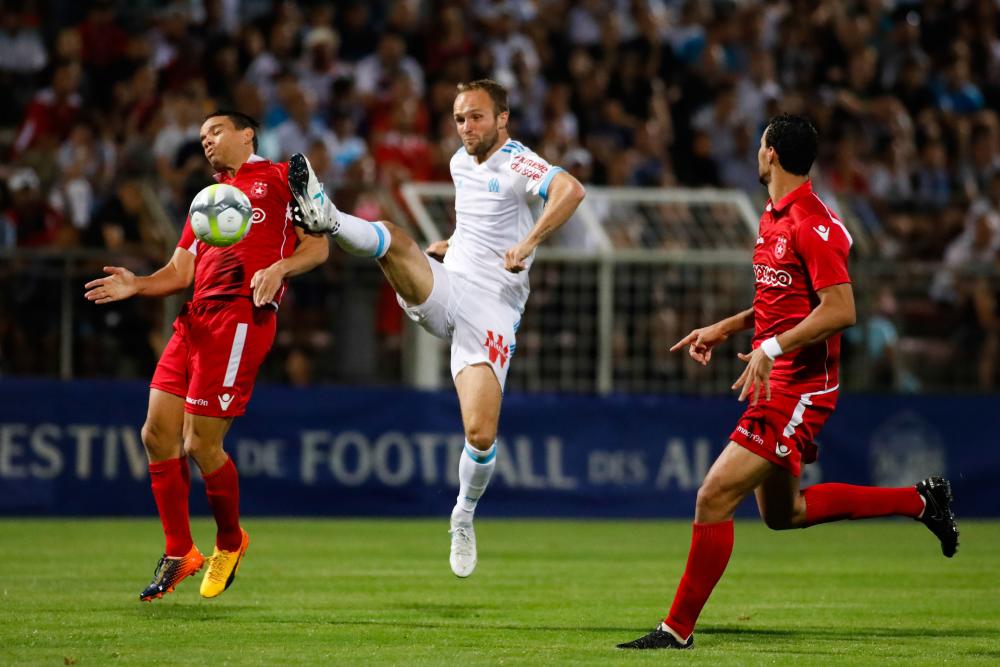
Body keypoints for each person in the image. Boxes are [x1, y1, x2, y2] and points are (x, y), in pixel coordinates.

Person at [617, 114, 959, 650]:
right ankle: (922, 501)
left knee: (713, 495)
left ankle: (676, 629)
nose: (757, 153)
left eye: (760, 145)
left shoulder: (812, 223)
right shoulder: (774, 216)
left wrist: (772, 348)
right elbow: (781, 302)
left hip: (801, 388)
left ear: (771, 153)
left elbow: (841, 310)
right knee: (784, 513)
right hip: (776, 380)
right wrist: (727, 327)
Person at [288, 79, 585, 577]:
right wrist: (450, 244)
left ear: (503, 119)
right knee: (395, 239)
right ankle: (328, 216)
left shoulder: (517, 161)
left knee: (480, 434)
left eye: (477, 117)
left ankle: (462, 516)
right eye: (459, 118)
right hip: (450, 285)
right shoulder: (458, 163)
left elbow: (570, 190)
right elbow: (476, 224)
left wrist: (529, 242)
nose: (466, 127)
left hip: (493, 308)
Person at [84, 110, 329, 601]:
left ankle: (230, 541)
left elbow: (318, 248)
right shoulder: (209, 199)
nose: (207, 142)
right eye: (201, 137)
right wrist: (139, 284)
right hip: (194, 318)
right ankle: (180, 552)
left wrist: (280, 268)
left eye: (216, 131)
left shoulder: (282, 177)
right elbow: (181, 271)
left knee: (200, 442)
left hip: (240, 316)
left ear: (247, 134)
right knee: (156, 434)